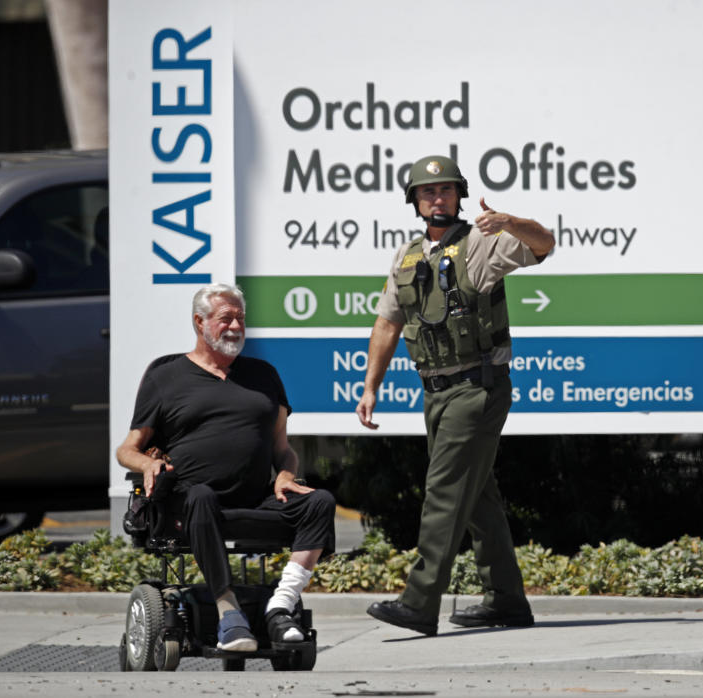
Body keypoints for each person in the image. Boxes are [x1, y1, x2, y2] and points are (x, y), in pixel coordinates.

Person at [356, 155, 555, 636]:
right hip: (436, 392)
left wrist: (509, 221)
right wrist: (370, 386)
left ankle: (419, 604)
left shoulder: (483, 242)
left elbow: (545, 244)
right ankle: (506, 601)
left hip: (476, 386)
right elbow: (387, 323)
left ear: (459, 195)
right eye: (428, 192)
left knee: (444, 493)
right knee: (477, 496)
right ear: (415, 202)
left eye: (445, 190)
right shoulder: (406, 257)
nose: (437, 198)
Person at [116, 283, 335, 652]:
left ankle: (279, 607)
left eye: (241, 319)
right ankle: (227, 610)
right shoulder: (165, 377)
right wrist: (148, 463)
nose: (235, 326)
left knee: (320, 502)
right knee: (200, 495)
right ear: (200, 322)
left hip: (254, 500)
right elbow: (127, 449)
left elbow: (284, 450)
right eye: (225, 319)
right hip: (191, 503)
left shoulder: (264, 375)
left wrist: (284, 473)